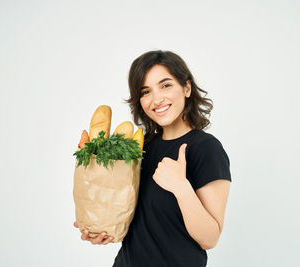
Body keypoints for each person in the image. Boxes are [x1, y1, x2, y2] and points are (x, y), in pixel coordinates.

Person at [74, 50, 232, 267]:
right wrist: (101, 228)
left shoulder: (206, 149)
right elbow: (137, 224)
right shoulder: (139, 148)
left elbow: (210, 238)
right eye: (145, 91)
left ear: (186, 88)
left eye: (166, 85)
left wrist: (181, 187)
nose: (156, 99)